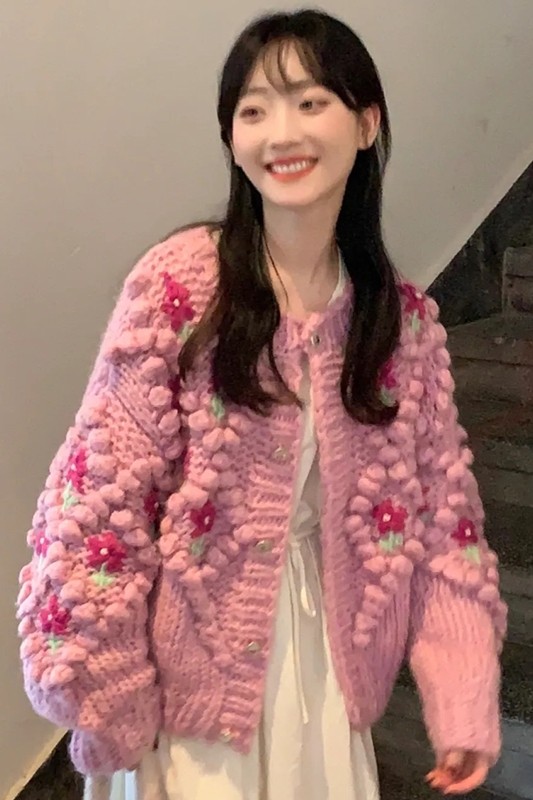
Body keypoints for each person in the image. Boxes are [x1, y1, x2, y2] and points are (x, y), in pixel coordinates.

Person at [16, 9, 507, 800]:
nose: (282, 134)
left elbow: (443, 525)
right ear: (232, 138)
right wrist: (106, 697)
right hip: (181, 692)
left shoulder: (398, 322)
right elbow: (95, 506)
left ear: (365, 123)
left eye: (310, 102)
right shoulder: (181, 286)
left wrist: (461, 696)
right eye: (253, 111)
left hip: (324, 678)